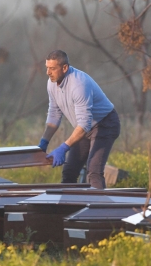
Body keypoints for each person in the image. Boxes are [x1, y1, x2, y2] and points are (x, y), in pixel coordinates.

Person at [37, 50, 120, 188]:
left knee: (93, 171)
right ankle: (67, 207)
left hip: (105, 124)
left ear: (65, 68)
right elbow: (55, 113)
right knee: (69, 172)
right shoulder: (51, 83)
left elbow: (84, 124)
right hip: (84, 127)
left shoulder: (79, 84)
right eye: (47, 68)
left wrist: (63, 147)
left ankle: (98, 207)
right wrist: (44, 142)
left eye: (52, 68)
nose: (48, 72)